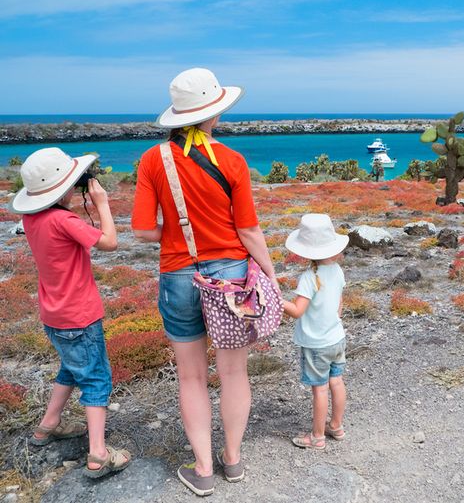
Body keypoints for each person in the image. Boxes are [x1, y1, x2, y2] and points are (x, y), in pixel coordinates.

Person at [131, 68, 280, 496]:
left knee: (191, 378)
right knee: (234, 374)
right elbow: (249, 231)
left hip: (179, 274)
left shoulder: (151, 160)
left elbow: (142, 231)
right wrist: (269, 274)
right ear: (214, 113)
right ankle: (232, 461)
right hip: (232, 278)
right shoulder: (231, 161)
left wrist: (179, 235)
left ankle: (202, 470)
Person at [9, 148, 131, 478]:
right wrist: (102, 204)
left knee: (71, 367)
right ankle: (98, 454)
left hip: (54, 315)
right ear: (64, 189)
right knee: (96, 378)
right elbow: (109, 242)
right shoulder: (65, 220)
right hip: (80, 315)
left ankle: (48, 425)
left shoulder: (31, 219)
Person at [282, 213, 349, 450]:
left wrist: (278, 301)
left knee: (319, 389)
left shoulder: (309, 277)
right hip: (337, 338)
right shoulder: (338, 270)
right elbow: (339, 306)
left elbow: (298, 311)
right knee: (337, 382)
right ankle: (337, 426)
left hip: (316, 344)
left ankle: (317, 436)